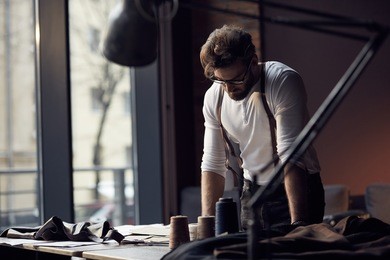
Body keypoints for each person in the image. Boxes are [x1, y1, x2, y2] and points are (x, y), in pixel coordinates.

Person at [199, 24, 325, 231]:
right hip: (252, 190)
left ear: (253, 62)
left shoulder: (282, 81)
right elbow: (213, 163)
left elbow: (291, 155)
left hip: (298, 187)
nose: (229, 89)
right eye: (221, 81)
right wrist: (206, 225)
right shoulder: (215, 96)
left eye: (236, 80)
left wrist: (298, 226)